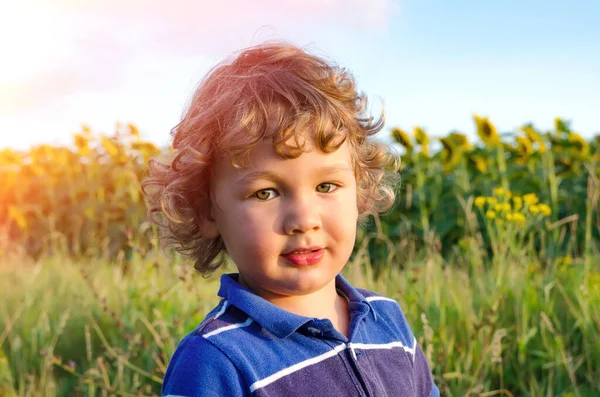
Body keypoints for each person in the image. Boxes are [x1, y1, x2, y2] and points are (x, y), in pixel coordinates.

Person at [142, 41, 439, 397]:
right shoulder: (216, 362)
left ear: (359, 191)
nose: (303, 219)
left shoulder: (387, 320)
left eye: (326, 185)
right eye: (265, 193)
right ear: (207, 212)